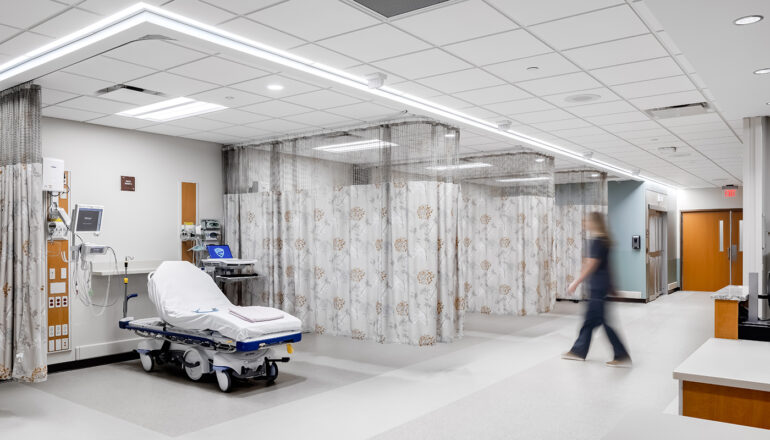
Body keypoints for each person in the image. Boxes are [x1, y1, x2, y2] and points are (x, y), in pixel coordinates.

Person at [561, 211, 631, 367]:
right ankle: (578, 351)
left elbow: (592, 265)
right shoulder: (604, 240)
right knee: (589, 321)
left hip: (597, 288)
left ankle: (621, 355)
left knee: (603, 323)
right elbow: (607, 266)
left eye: (587, 221)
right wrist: (612, 287)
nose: (584, 224)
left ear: (594, 223)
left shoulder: (597, 241)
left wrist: (576, 282)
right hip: (601, 286)